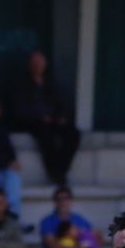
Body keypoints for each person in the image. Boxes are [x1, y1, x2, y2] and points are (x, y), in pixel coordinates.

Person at [11, 50, 80, 186]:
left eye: (40, 63)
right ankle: (53, 172)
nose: (38, 66)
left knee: (73, 134)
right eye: (35, 63)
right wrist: (40, 117)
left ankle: (61, 170)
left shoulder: (50, 83)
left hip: (53, 121)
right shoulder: (21, 85)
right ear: (30, 65)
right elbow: (19, 109)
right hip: (33, 122)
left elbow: (62, 103)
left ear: (45, 64)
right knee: (47, 137)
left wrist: (61, 117)